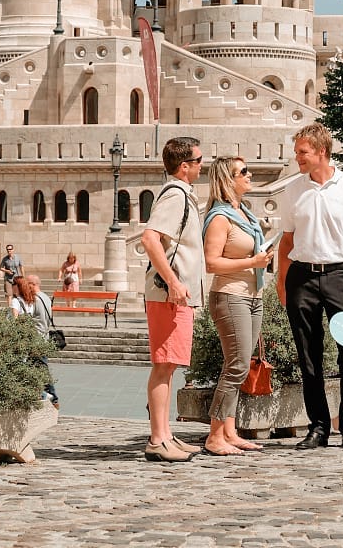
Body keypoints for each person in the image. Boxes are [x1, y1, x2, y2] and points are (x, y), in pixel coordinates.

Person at [277, 122, 343, 450]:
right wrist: (281, 281)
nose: (297, 157)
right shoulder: (293, 190)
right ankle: (317, 426)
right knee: (308, 355)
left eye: (302, 152)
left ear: (322, 151)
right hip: (301, 277)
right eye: (297, 152)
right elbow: (286, 240)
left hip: (340, 276)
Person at [201, 156, 274, 455]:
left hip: (252, 295)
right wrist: (253, 261)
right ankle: (214, 435)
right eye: (243, 171)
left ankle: (229, 432)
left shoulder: (243, 213)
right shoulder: (220, 217)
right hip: (231, 295)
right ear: (227, 179)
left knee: (239, 367)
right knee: (237, 366)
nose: (250, 174)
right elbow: (211, 262)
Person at [140, 136, 205, 463]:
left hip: (176, 296)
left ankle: (165, 435)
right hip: (170, 296)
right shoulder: (176, 195)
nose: (201, 165)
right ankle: (157, 440)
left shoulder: (183, 196)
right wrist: (174, 282)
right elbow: (150, 239)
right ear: (184, 166)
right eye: (198, 160)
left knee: (169, 366)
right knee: (164, 365)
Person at [26, 273, 59, 408]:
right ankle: (42, 395)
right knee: (38, 367)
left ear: (33, 285)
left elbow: (30, 318)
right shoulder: (46, 297)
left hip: (36, 338)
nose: (25, 287)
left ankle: (53, 398)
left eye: (27, 284)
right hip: (44, 337)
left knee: (41, 367)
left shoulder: (35, 299)